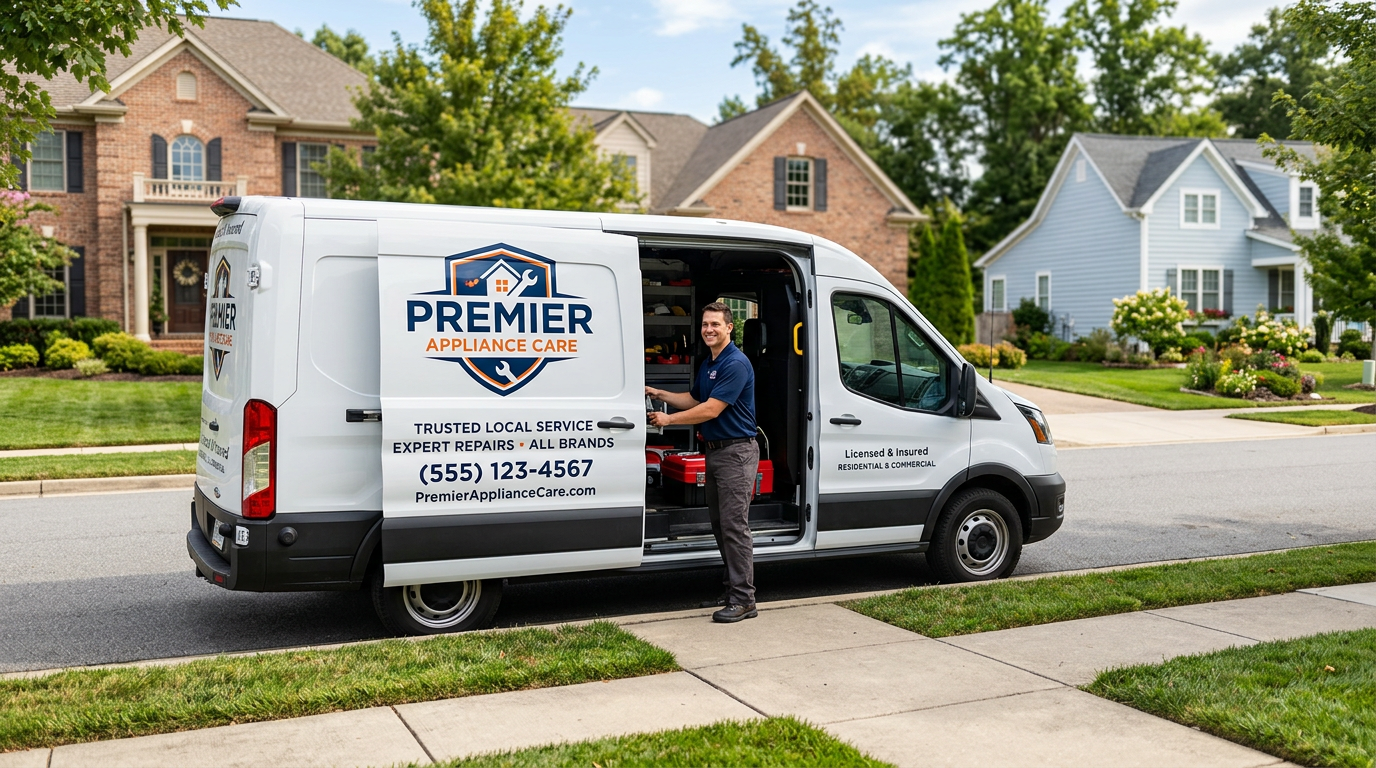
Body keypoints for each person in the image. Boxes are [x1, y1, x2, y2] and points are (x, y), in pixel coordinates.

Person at [646, 302, 759, 623]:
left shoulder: (736, 363)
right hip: (716, 451)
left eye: (715, 325)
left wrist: (668, 420)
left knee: (735, 527)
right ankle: (734, 591)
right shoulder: (711, 362)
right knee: (721, 525)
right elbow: (696, 399)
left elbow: (711, 410)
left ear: (729, 327)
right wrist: (661, 393)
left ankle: (744, 599)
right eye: (705, 324)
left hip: (736, 452)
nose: (709, 329)